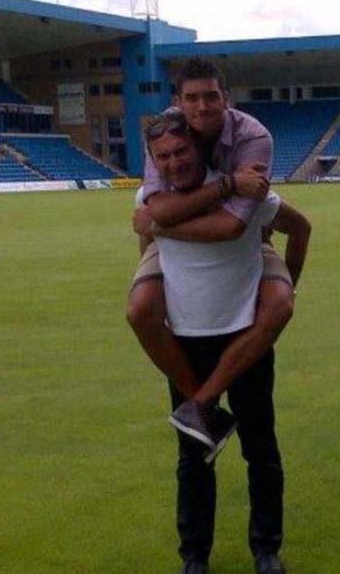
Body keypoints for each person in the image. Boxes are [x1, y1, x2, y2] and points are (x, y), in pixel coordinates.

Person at [138, 115, 310, 574]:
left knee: (261, 450)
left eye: (182, 152)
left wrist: (287, 284)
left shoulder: (240, 193)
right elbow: (147, 239)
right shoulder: (151, 198)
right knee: (193, 459)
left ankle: (266, 550)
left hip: (244, 337)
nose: (175, 163)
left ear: (197, 147)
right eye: (164, 157)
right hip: (187, 341)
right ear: (154, 162)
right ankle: (194, 557)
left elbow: (296, 224)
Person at [126, 57, 296, 455]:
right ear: (179, 103)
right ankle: (202, 404)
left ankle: (200, 404)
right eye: (192, 98)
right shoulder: (167, 131)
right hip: (170, 232)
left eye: (210, 97)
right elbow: (156, 210)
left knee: (278, 306)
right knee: (139, 309)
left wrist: (159, 225)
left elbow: (233, 226)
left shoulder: (253, 137)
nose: (201, 107)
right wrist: (157, 232)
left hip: (242, 233)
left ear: (226, 99)